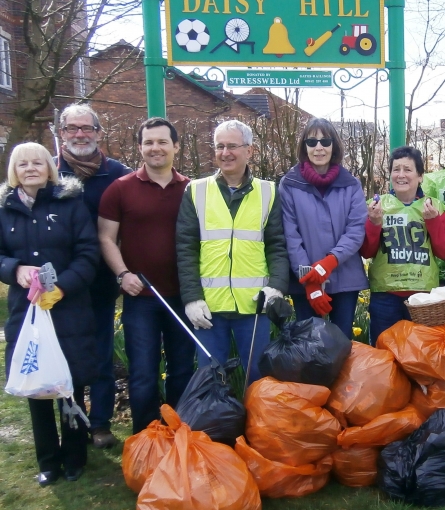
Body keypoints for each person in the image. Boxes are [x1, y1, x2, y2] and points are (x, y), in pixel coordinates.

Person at [1, 143, 99, 485]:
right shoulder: (4, 208)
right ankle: (47, 461)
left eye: (37, 162)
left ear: (49, 167)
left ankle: (75, 456)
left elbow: (88, 254)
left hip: (68, 310)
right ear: (14, 169)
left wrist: (63, 288)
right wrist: (15, 270)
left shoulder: (70, 204)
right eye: (23, 163)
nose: (30, 168)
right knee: (35, 386)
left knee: (69, 385)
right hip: (25, 313)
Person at [98, 118, 195, 434]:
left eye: (162, 141)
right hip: (140, 298)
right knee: (142, 374)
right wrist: (122, 274)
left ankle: (179, 438)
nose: (156, 148)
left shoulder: (193, 190)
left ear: (175, 147)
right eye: (149, 142)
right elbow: (106, 238)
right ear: (140, 147)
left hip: (184, 297)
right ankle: (146, 439)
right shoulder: (120, 189)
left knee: (182, 371)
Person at [176, 120, 289, 383]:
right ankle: (214, 427)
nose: (225, 152)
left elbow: (277, 246)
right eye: (219, 146)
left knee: (259, 381)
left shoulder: (268, 191)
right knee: (210, 382)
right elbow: (186, 249)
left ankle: (258, 426)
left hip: (254, 305)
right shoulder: (196, 191)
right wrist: (192, 298)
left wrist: (277, 287)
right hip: (208, 309)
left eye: (232, 146)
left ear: (250, 151)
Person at [55, 104, 130, 449]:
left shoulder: (117, 175)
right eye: (72, 128)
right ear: (62, 133)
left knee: (101, 353)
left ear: (99, 134)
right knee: (65, 356)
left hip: (100, 283)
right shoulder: (48, 174)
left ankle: (100, 424)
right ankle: (71, 422)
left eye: (87, 128)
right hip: (59, 287)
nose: (80, 134)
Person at [279, 118, 368, 339]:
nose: (319, 147)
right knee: (309, 346)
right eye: (312, 142)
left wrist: (330, 261)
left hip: (345, 277)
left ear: (334, 145)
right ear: (304, 146)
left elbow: (356, 229)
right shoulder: (289, 185)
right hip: (304, 283)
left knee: (343, 343)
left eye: (325, 141)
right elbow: (290, 235)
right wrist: (310, 281)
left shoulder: (351, 184)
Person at [360, 146, 445, 345]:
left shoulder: (434, 206)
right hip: (385, 296)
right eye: (396, 169)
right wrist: (374, 223)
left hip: (423, 297)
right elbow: (367, 251)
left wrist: (433, 222)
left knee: (421, 356)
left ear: (420, 176)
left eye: (408, 169)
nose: (401, 175)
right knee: (385, 355)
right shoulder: (376, 205)